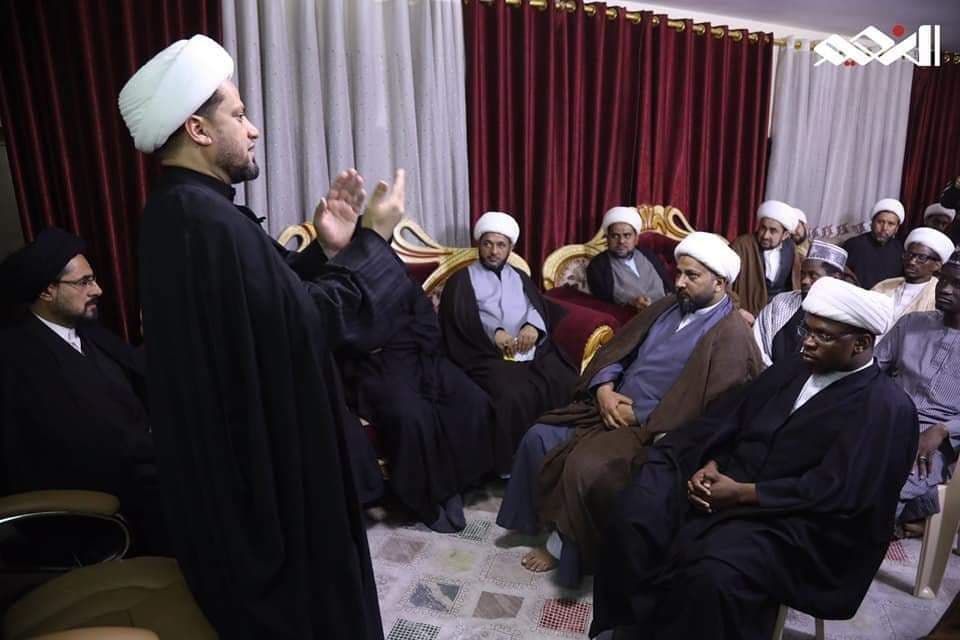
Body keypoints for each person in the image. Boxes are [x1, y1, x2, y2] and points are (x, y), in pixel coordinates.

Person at [119, 35, 412, 639]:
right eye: (239, 113)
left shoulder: (182, 210)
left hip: (234, 471)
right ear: (198, 130)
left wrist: (327, 248)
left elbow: (260, 305)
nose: (253, 129)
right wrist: (375, 241)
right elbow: (304, 323)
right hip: (265, 482)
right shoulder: (207, 221)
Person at [592, 277, 916, 640]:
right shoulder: (794, 368)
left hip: (796, 524)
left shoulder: (886, 408)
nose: (807, 342)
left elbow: (841, 493)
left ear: (862, 343)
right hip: (731, 482)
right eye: (807, 330)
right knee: (639, 509)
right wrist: (710, 464)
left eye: (822, 336)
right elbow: (730, 421)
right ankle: (631, 629)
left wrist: (742, 494)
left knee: (711, 573)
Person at [497, 232, 762, 585]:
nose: (679, 282)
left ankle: (563, 549)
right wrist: (605, 389)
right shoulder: (668, 305)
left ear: (720, 283)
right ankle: (538, 521)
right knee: (539, 435)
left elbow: (712, 408)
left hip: (655, 428)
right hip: (609, 404)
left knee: (586, 467)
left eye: (691, 276)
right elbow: (619, 350)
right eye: (679, 273)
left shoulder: (731, 334)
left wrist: (642, 417)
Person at [0, 229, 164, 554]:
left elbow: (137, 374)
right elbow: (78, 443)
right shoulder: (17, 355)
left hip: (141, 468)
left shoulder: (88, 332)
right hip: (96, 505)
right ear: (47, 290)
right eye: (84, 282)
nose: (98, 289)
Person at [337, 281, 495, 533]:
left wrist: (399, 338)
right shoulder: (338, 279)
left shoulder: (394, 273)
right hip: (372, 366)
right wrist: (387, 337)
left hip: (419, 354)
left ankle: (455, 485)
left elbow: (425, 318)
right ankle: (425, 501)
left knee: (471, 399)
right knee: (412, 415)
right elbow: (350, 336)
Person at [438, 211, 577, 473]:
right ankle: (516, 465)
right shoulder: (461, 279)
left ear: (510, 248)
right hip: (483, 354)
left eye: (501, 245)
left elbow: (536, 306)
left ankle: (560, 450)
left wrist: (532, 327)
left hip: (529, 351)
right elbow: (460, 319)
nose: (493, 251)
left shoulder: (520, 276)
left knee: (564, 378)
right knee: (514, 393)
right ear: (478, 245)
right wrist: (495, 334)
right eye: (488, 244)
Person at [876, 249, 960, 536]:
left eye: (957, 285)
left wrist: (944, 429)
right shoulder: (911, 324)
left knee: (894, 482)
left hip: (935, 438)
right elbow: (872, 371)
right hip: (887, 418)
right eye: (943, 280)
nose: (945, 289)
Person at [752, 241, 848, 367]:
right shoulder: (782, 302)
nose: (804, 281)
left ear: (836, 278)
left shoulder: (844, 316)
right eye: (803, 274)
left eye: (813, 276)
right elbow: (758, 344)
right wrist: (774, 374)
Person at [585, 206, 671, 309]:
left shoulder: (647, 255)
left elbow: (669, 286)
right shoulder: (598, 266)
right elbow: (603, 303)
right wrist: (632, 303)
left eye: (627, 235)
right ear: (607, 238)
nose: (621, 241)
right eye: (615, 236)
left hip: (666, 310)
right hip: (632, 316)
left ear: (636, 238)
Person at [872, 227, 954, 329]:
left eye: (921, 258)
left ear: (937, 265)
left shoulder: (938, 296)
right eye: (909, 255)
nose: (912, 262)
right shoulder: (884, 285)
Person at [730, 200, 802, 316]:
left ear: (785, 235)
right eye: (763, 228)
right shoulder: (741, 245)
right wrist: (737, 309)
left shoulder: (790, 248)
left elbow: (794, 285)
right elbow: (723, 284)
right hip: (747, 313)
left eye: (773, 231)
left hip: (779, 314)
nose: (765, 235)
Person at [843, 198, 906, 289]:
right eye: (880, 222)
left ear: (896, 228)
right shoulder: (853, 244)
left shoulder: (901, 251)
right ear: (872, 223)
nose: (884, 228)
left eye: (891, 224)